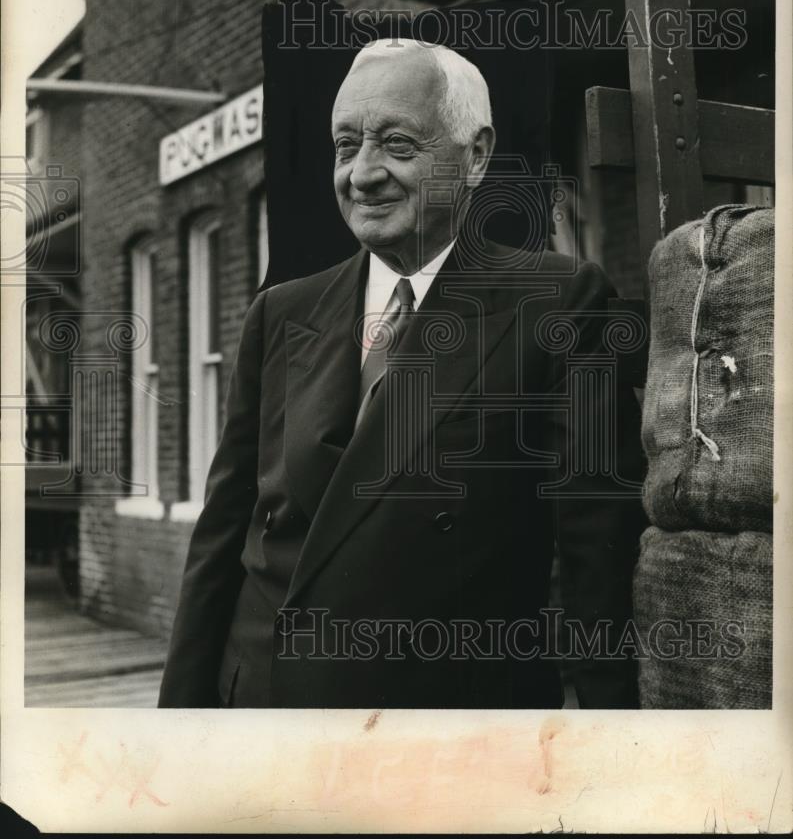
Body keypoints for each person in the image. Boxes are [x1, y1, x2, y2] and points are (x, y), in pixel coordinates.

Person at [158, 39, 647, 709]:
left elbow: (597, 551)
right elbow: (222, 534)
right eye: (344, 144)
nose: (361, 173)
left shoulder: (557, 301)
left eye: (396, 143)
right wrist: (180, 723)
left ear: (474, 155)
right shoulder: (281, 312)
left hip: (438, 726)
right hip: (262, 707)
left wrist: (608, 739)